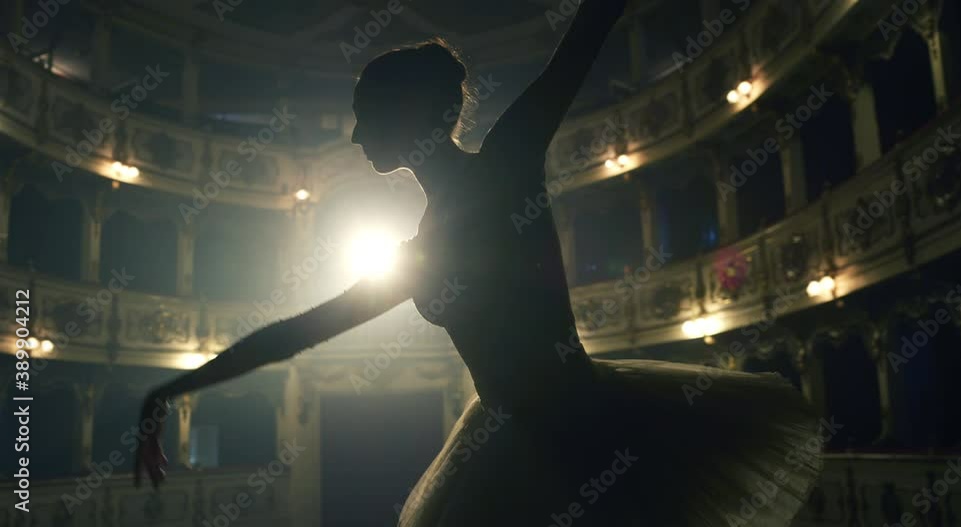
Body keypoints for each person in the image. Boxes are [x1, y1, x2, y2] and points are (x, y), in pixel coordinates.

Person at [135, 0, 822, 524]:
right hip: (515, 445)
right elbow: (301, 331)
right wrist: (171, 389)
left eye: (365, 112)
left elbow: (581, 42)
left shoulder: (506, 163)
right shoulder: (421, 249)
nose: (354, 133)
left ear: (411, 114)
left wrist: (171, 391)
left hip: (588, 428)